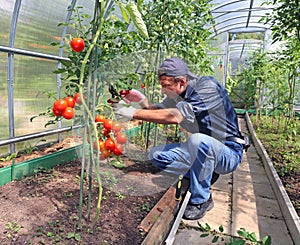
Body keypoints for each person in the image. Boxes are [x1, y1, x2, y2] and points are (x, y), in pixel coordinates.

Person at [113, 57, 244, 220]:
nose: (163, 90)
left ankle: (201, 199)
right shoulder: (177, 94)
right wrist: (142, 101)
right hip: (202, 150)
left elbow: (174, 116)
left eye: (166, 86)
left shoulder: (207, 88)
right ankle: (204, 171)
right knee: (156, 155)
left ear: (181, 81)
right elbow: (158, 110)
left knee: (198, 141)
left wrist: (133, 113)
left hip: (228, 152)